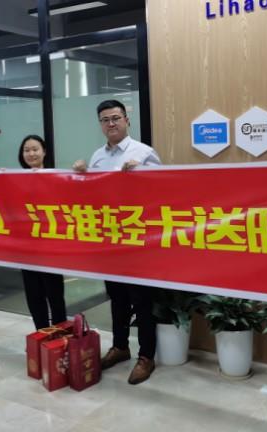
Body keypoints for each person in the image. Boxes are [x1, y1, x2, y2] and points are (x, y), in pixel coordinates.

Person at [73, 99, 161, 385]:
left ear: (126, 120)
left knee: (142, 301)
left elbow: (165, 191)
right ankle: (120, 347)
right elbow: (93, 196)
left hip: (138, 239)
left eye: (115, 118)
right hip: (111, 239)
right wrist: (81, 177)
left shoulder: (144, 152)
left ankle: (146, 356)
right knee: (117, 298)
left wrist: (145, 174)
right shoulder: (98, 156)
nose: (111, 124)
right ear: (100, 125)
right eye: (105, 120)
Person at [18, 134, 67, 329]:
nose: (31, 154)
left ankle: (60, 336)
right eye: (26, 150)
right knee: (34, 296)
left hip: (50, 247)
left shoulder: (55, 177)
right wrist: (1, 180)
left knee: (55, 295)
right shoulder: (15, 180)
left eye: (35, 149)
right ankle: (42, 335)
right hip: (26, 248)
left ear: (44, 152)